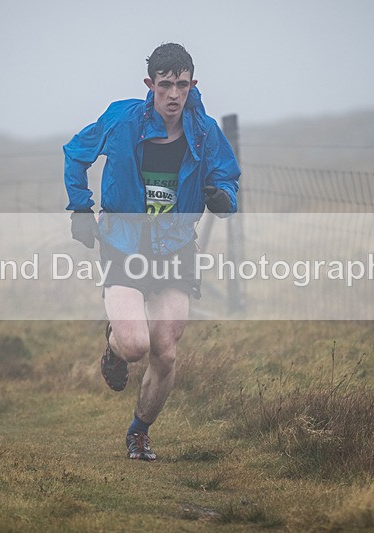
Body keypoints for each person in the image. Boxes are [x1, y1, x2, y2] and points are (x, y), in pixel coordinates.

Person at [63, 43, 240, 461]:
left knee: (166, 349)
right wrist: (81, 209)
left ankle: (139, 432)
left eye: (182, 84)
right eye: (166, 85)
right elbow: (75, 153)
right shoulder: (122, 119)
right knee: (136, 345)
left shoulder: (204, 131)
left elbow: (228, 178)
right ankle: (113, 345)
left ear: (192, 84)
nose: (174, 94)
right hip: (124, 243)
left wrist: (222, 198)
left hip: (176, 246)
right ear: (151, 85)